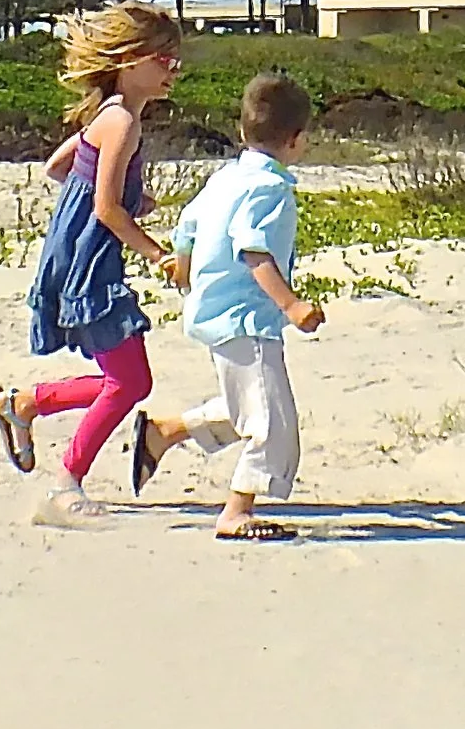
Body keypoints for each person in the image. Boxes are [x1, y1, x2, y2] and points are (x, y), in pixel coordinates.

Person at [0, 1, 180, 525]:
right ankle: (64, 483)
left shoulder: (109, 115)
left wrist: (122, 199)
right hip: (92, 259)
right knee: (130, 381)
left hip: (73, 250)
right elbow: (106, 208)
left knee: (126, 378)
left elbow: (58, 167)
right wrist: (157, 252)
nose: (173, 72)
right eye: (165, 60)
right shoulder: (121, 122)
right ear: (129, 59)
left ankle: (25, 404)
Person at [128, 71, 323, 542]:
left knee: (245, 409)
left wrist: (183, 267)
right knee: (271, 423)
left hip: (212, 310)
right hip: (246, 318)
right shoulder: (271, 189)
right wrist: (292, 304)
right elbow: (254, 250)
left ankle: (165, 432)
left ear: (242, 132)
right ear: (297, 141)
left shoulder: (226, 177)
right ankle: (236, 512)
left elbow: (187, 227)